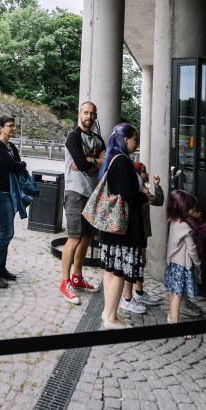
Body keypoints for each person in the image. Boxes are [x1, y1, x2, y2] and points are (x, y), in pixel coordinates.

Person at [98, 123, 150, 329]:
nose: (136, 143)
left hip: (111, 227)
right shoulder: (122, 162)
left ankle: (107, 312)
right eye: (135, 139)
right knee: (118, 272)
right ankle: (111, 317)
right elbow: (128, 195)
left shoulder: (111, 159)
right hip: (123, 227)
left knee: (110, 271)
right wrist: (144, 196)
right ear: (125, 139)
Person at [60, 101, 106, 304]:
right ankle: (65, 282)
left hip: (92, 193)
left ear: (96, 116)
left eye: (92, 113)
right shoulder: (73, 136)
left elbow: (108, 161)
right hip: (75, 192)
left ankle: (77, 277)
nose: (89, 116)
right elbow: (79, 163)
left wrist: (91, 162)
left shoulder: (97, 138)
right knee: (74, 238)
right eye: (86, 112)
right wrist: (96, 161)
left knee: (87, 237)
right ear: (80, 114)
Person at [0, 114, 28, 289]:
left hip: (11, 193)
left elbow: (15, 162)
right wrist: (21, 164)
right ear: (0, 127)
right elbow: (12, 164)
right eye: (10, 125)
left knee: (5, 231)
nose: (13, 128)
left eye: (14, 125)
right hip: (0, 193)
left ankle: (0, 268)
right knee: (7, 231)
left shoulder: (11, 146)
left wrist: (20, 164)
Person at [118, 162, 164, 314]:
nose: (147, 174)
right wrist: (144, 194)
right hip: (135, 232)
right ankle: (128, 299)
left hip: (143, 231)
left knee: (140, 263)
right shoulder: (136, 190)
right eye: (143, 172)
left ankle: (139, 293)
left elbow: (158, 201)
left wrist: (156, 186)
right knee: (133, 264)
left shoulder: (144, 189)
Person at [165, 189, 201, 330]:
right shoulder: (186, 227)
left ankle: (171, 316)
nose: (194, 210)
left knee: (173, 292)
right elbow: (192, 249)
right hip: (182, 265)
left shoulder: (174, 222)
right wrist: (197, 263)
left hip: (172, 264)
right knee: (179, 295)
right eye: (191, 207)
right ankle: (176, 324)